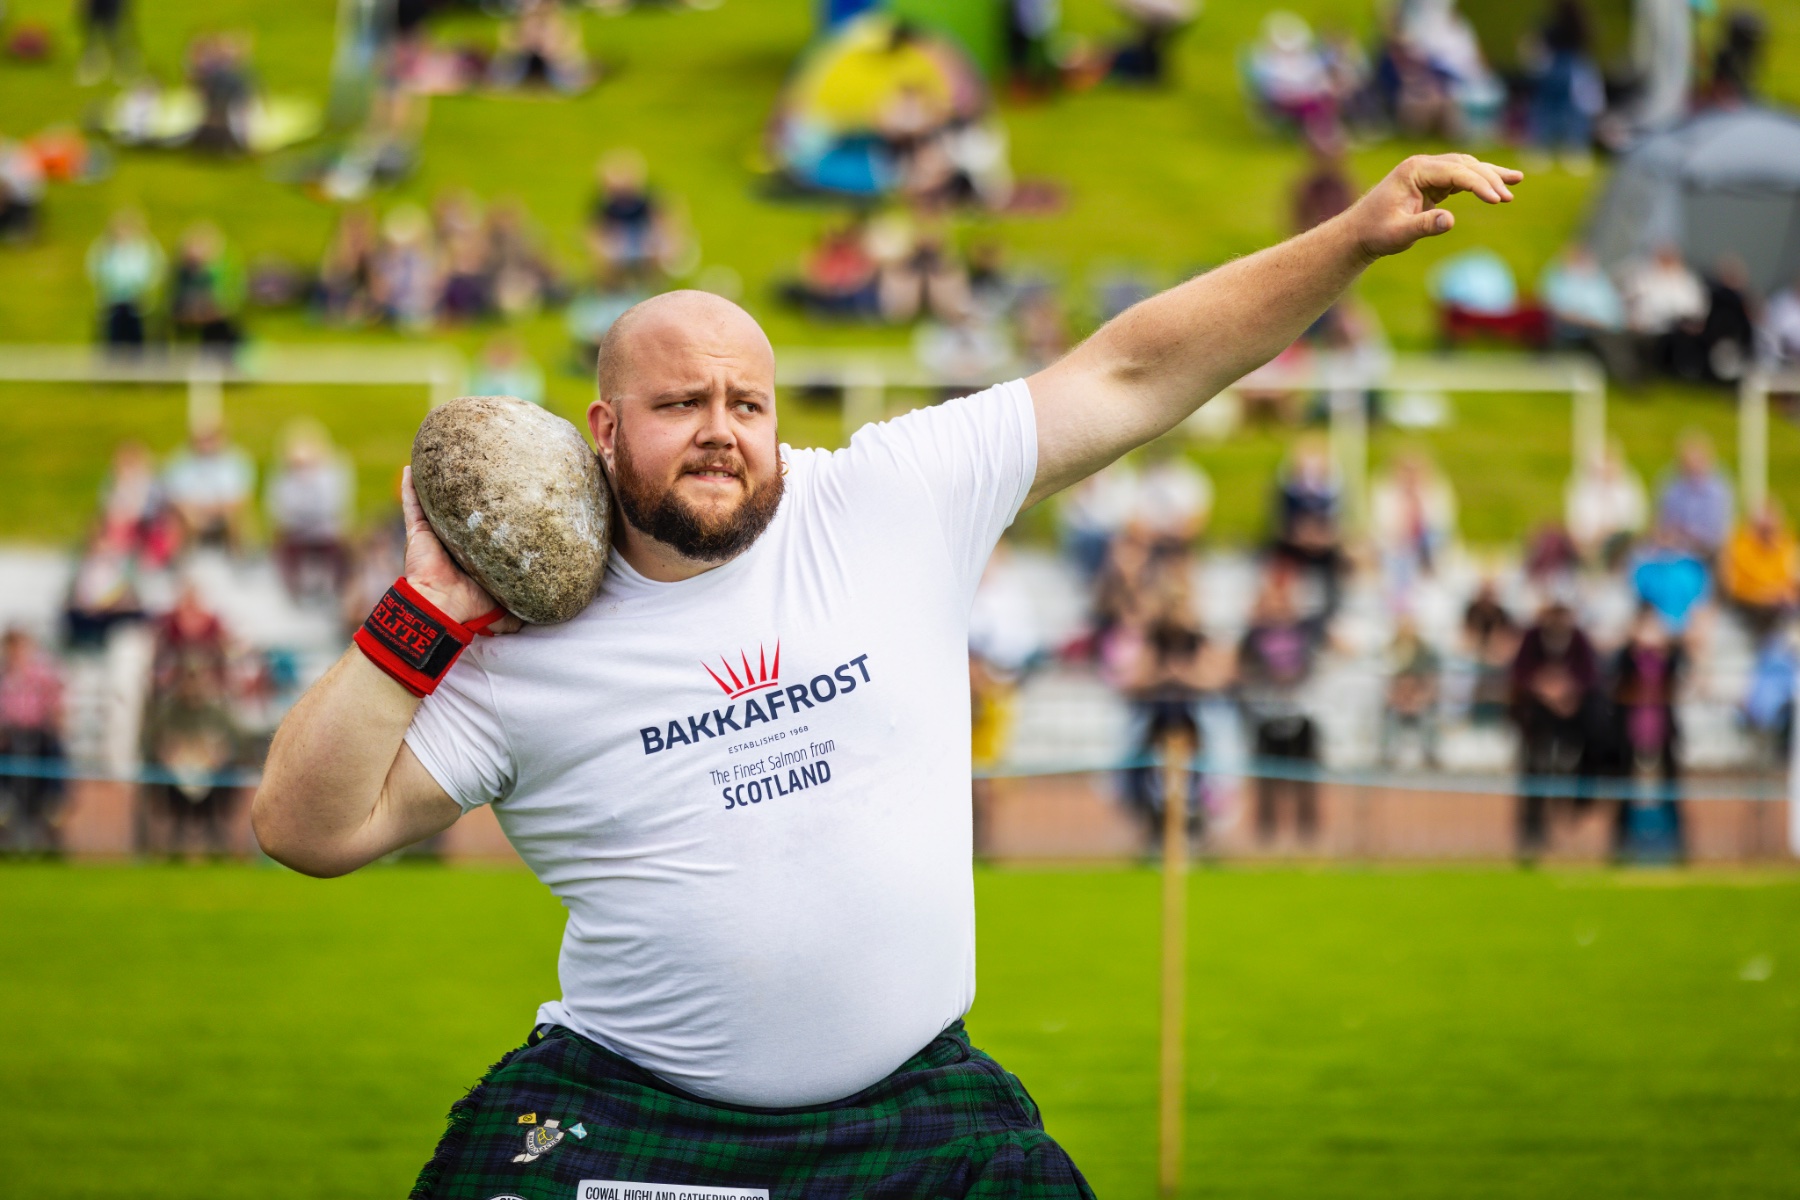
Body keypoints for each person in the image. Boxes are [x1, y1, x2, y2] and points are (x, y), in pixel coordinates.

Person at [251, 153, 1523, 1195]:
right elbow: (307, 831)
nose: (722, 430)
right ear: (604, 428)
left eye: (747, 402)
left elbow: (1135, 369)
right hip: (637, 1103)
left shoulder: (885, 495)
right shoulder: (521, 642)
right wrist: (423, 611)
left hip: (913, 1116)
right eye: (680, 403)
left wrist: (1350, 237)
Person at [1510, 598, 1598, 858]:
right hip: (1536, 725)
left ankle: (1575, 808)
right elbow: (1521, 673)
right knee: (1534, 775)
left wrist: (1568, 694)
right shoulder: (1533, 638)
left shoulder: (1578, 639)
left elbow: (1589, 676)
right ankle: (1532, 836)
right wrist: (1547, 690)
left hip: (1573, 726)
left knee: (1588, 752)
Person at [267, 420, 355, 603]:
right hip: (294, 532)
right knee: (281, 546)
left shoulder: (331, 474)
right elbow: (278, 507)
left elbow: (333, 505)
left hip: (326, 531)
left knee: (344, 546)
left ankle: (338, 592)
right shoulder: (283, 476)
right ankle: (291, 593)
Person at [0, 628, 66, 855]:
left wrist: (55, 721)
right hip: (10, 738)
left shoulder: (41, 675)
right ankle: (5, 808)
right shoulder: (4, 677)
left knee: (56, 751)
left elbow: (56, 702)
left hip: (39, 736)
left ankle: (53, 803)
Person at [163, 417, 256, 554]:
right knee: (177, 519)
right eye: (202, 438)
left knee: (235, 517)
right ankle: (185, 561)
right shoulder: (180, 463)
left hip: (223, 511)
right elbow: (173, 495)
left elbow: (242, 497)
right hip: (191, 512)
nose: (206, 443)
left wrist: (217, 509)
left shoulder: (236, 461)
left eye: (211, 437)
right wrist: (191, 509)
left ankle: (237, 560)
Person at [1718, 502, 1799, 637]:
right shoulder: (1740, 548)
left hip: (1781, 602)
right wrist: (1767, 595)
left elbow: (1791, 579)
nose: (1769, 533)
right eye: (1764, 529)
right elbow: (1735, 588)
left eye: (1772, 528)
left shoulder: (1786, 545)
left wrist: (1785, 593)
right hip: (1751, 605)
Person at [87, 209, 164, 349]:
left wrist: (142, 288)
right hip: (113, 298)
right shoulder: (105, 249)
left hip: (136, 298)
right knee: (114, 332)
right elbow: (96, 270)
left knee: (135, 331)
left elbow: (153, 269)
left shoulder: (142, 248)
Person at [1564, 440, 1647, 567]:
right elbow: (1575, 523)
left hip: (1620, 541)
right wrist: (1592, 535)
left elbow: (1636, 520)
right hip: (1589, 543)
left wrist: (1611, 530)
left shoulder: (1628, 488)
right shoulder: (1583, 490)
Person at [1654, 432, 1733, 559]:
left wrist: (1691, 537)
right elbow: (1664, 520)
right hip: (1675, 548)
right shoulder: (1671, 486)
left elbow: (1716, 530)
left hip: (1708, 549)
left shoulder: (1718, 490)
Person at [168, 222, 245, 349]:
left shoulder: (219, 271)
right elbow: (176, 299)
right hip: (189, 316)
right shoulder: (183, 273)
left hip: (215, 317)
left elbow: (228, 299)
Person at [1382, 614, 1440, 767]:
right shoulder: (1391, 648)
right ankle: (1387, 755)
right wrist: (1399, 700)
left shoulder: (1425, 652)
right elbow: (1389, 685)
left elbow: (1430, 683)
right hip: (1399, 702)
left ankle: (1429, 755)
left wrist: (1417, 700)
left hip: (1418, 701)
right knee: (1389, 715)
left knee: (1428, 716)